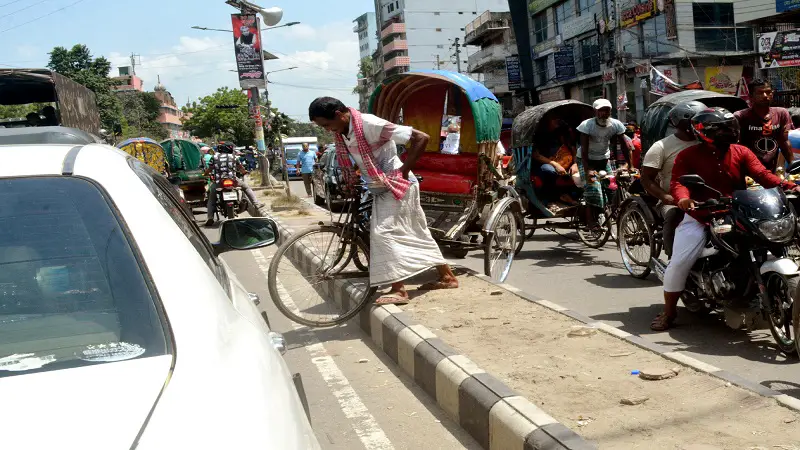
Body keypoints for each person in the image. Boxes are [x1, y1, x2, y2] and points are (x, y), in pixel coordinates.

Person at [652, 107, 799, 331]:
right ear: (703, 131)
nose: (727, 131)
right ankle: (669, 312)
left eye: (729, 126)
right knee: (679, 264)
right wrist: (683, 199)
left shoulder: (741, 151)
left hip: (739, 211)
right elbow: (678, 183)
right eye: (720, 128)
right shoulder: (687, 155)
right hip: (701, 215)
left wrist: (789, 186)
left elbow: (762, 175)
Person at [308, 96, 458, 306]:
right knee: (417, 231)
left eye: (327, 124)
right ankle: (447, 277)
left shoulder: (370, 124)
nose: (327, 130)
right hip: (380, 184)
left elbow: (421, 137)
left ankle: (399, 290)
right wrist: (352, 176)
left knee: (382, 232)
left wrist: (403, 171)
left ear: (339, 115)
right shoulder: (345, 131)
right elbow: (363, 157)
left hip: (397, 184)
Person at [640, 101, 705, 258]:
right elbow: (646, 179)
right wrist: (665, 196)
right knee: (673, 215)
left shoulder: (707, 141)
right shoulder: (661, 147)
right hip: (674, 201)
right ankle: (673, 256)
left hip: (706, 197)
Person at [576, 99, 629, 225]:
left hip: (603, 160)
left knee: (612, 186)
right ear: (595, 111)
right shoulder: (587, 125)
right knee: (593, 188)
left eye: (607, 110)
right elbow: (584, 150)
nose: (604, 113)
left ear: (610, 111)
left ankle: (614, 213)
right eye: (601, 110)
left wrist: (630, 165)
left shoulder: (616, 124)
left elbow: (624, 146)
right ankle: (590, 221)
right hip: (586, 160)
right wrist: (588, 170)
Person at [734, 79, 793, 173]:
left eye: (768, 92)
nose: (765, 96)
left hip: (771, 170)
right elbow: (736, 146)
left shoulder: (781, 114)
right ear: (751, 97)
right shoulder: (740, 116)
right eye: (760, 93)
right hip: (748, 171)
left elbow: (784, 141)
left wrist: (792, 165)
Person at [204, 143, 263, 226]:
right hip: (233, 180)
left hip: (219, 182)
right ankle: (256, 204)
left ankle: (210, 217)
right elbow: (241, 168)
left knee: (211, 198)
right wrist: (244, 172)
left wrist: (205, 174)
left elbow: (209, 169)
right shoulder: (234, 157)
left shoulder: (214, 157)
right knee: (246, 187)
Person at [531, 116, 577, 207]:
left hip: (565, 165)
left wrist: (575, 164)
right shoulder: (539, 136)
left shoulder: (564, 134)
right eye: (555, 119)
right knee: (549, 170)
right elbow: (536, 155)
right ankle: (552, 198)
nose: (557, 122)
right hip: (543, 166)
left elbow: (574, 151)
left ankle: (572, 196)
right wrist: (555, 164)